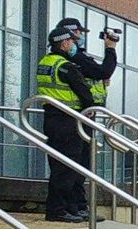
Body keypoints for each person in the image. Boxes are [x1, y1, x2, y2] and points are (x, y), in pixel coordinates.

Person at [55, 18, 117, 220]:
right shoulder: (71, 60)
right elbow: (103, 71)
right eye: (77, 34)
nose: (80, 38)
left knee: (81, 164)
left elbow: (99, 75)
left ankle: (77, 206)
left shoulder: (77, 57)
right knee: (72, 165)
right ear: (68, 37)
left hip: (82, 116)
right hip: (72, 117)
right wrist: (110, 48)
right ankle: (69, 208)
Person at [36, 27, 94, 223]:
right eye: (71, 41)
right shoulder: (65, 66)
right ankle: (58, 210)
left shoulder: (45, 63)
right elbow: (85, 93)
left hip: (51, 119)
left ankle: (67, 208)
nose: (73, 44)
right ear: (64, 43)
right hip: (68, 121)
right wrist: (90, 109)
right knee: (68, 167)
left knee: (59, 166)